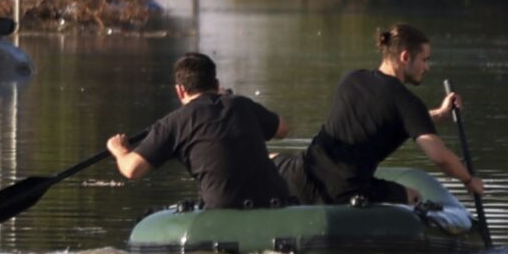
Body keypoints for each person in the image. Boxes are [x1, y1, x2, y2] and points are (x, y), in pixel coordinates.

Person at [284, 23, 485, 208]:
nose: (427, 67)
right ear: (405, 57)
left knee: (275, 158)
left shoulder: (352, 79)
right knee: (414, 196)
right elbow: (439, 157)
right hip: (346, 190)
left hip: (303, 176)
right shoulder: (406, 102)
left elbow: (389, 117)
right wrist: (468, 180)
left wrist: (440, 114)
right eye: (424, 60)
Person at [107, 52, 293, 210]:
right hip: (274, 203)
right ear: (217, 84)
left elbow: (132, 169)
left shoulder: (174, 122)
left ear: (179, 91)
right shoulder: (242, 104)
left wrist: (120, 150)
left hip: (223, 209)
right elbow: (283, 129)